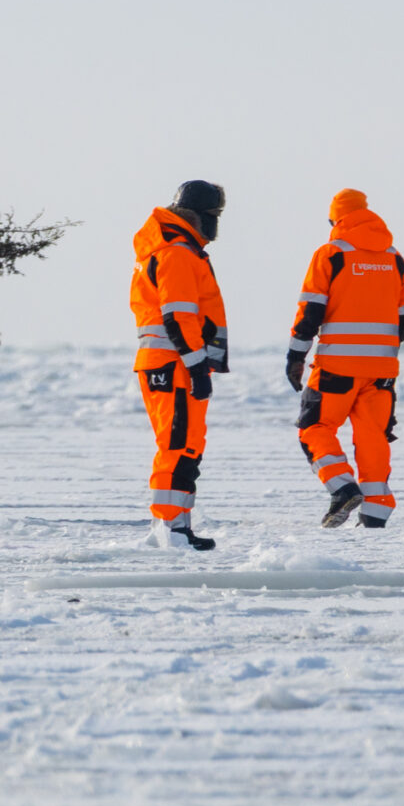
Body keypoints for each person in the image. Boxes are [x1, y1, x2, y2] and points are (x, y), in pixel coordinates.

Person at [286, 189, 404, 527]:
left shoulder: (331, 254)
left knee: (313, 427)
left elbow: (310, 311)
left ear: (336, 219)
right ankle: (376, 514)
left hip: (337, 367)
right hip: (382, 370)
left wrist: (296, 356)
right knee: (372, 438)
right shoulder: (395, 259)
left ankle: (342, 487)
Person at [130, 180, 229, 551]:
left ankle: (174, 528)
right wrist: (197, 366)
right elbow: (179, 317)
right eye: (215, 216)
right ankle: (171, 530)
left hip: (169, 362)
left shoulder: (176, 249)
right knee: (177, 445)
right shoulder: (177, 253)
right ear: (201, 215)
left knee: (185, 445)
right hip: (175, 365)